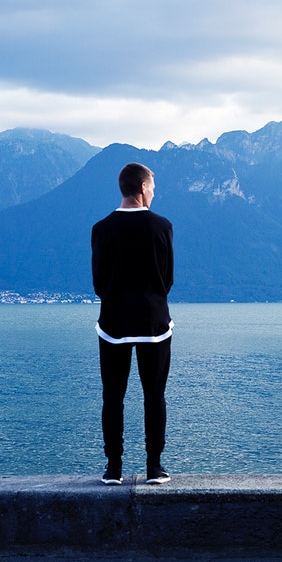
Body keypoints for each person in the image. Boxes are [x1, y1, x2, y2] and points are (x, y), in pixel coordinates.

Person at [91, 162, 174, 485]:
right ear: (141, 188)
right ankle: (155, 467)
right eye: (152, 186)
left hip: (113, 323)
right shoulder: (162, 226)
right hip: (154, 323)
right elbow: (167, 278)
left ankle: (114, 468)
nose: (154, 192)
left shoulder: (102, 228)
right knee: (154, 394)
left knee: (113, 395)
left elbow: (98, 281)